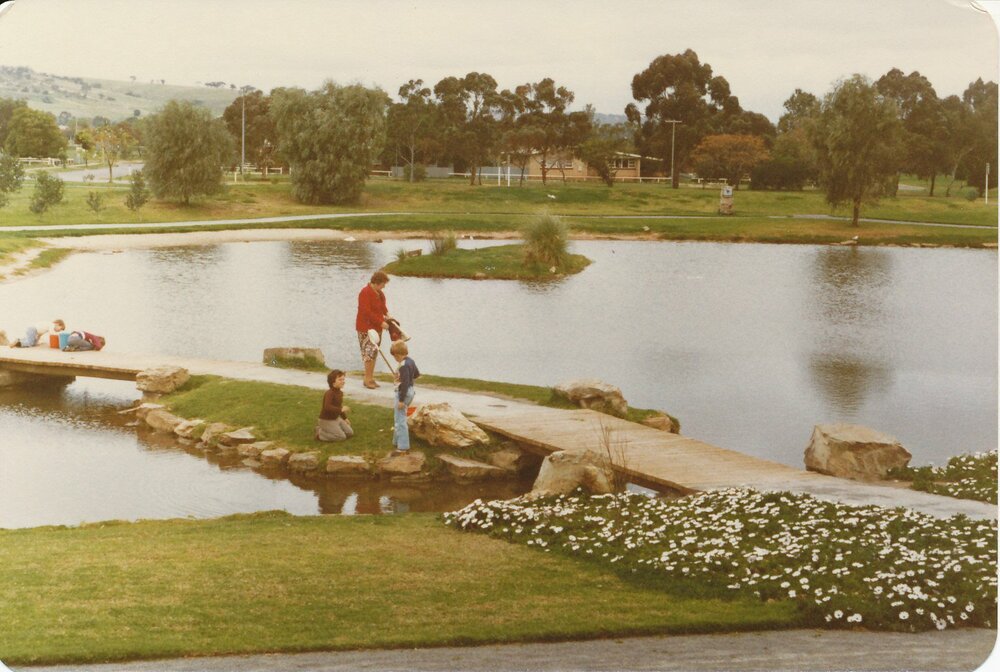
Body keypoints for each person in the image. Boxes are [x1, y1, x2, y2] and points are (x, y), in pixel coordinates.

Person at [355, 270, 392, 389]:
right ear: (377, 282)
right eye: (383, 284)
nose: (384, 287)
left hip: (377, 328)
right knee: (368, 353)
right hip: (365, 328)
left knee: (374, 353)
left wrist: (387, 314)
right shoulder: (365, 292)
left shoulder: (379, 293)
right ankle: (367, 379)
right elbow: (366, 312)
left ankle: (371, 378)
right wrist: (381, 322)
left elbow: (382, 307)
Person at [390, 340, 419, 454]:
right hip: (411, 391)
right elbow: (416, 374)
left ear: (397, 355)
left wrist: (401, 400)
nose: (395, 359)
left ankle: (403, 447)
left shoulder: (402, 365)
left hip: (403, 392)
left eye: (394, 356)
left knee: (400, 419)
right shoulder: (410, 361)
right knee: (398, 417)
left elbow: (405, 383)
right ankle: (396, 441)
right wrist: (400, 376)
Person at [315, 369, 354, 442]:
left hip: (335, 418)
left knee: (350, 433)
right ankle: (320, 433)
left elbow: (339, 406)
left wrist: (345, 418)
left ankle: (329, 429)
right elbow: (327, 407)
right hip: (326, 420)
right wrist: (341, 410)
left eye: (343, 379)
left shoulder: (340, 393)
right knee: (341, 437)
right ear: (333, 382)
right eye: (340, 380)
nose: (343, 381)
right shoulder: (329, 393)